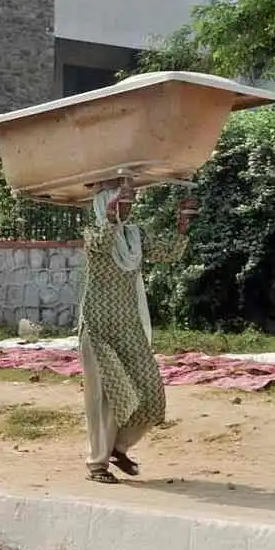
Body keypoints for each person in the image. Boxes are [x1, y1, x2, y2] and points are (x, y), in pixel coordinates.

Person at [79, 178, 195, 484]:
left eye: (130, 203)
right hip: (99, 328)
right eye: (123, 203)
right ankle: (97, 465)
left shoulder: (135, 236)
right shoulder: (94, 234)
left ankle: (119, 448)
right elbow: (102, 242)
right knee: (107, 398)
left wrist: (182, 224)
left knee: (151, 392)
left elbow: (168, 254)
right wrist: (111, 215)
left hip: (129, 327)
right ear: (105, 205)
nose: (128, 208)